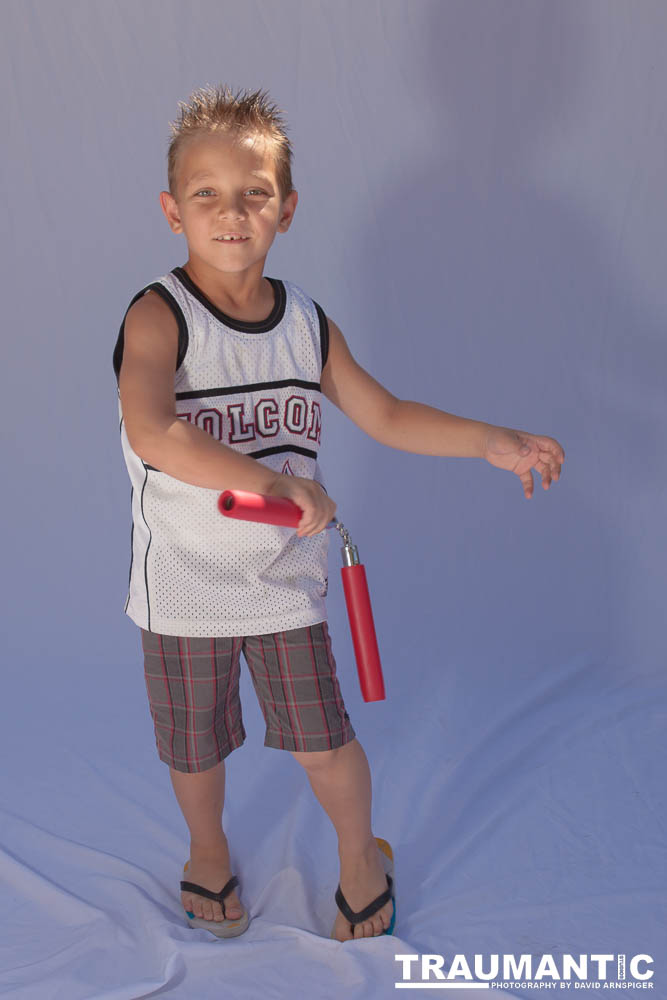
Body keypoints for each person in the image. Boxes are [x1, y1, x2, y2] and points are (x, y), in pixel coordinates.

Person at [112, 84, 565, 944]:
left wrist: (488, 441)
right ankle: (207, 851)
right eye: (206, 194)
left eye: (253, 193)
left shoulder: (306, 325)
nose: (231, 212)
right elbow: (154, 429)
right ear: (174, 211)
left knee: (323, 743)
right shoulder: (158, 314)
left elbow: (386, 413)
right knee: (195, 751)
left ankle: (361, 858)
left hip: (282, 581)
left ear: (286, 207)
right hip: (181, 583)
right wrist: (277, 484)